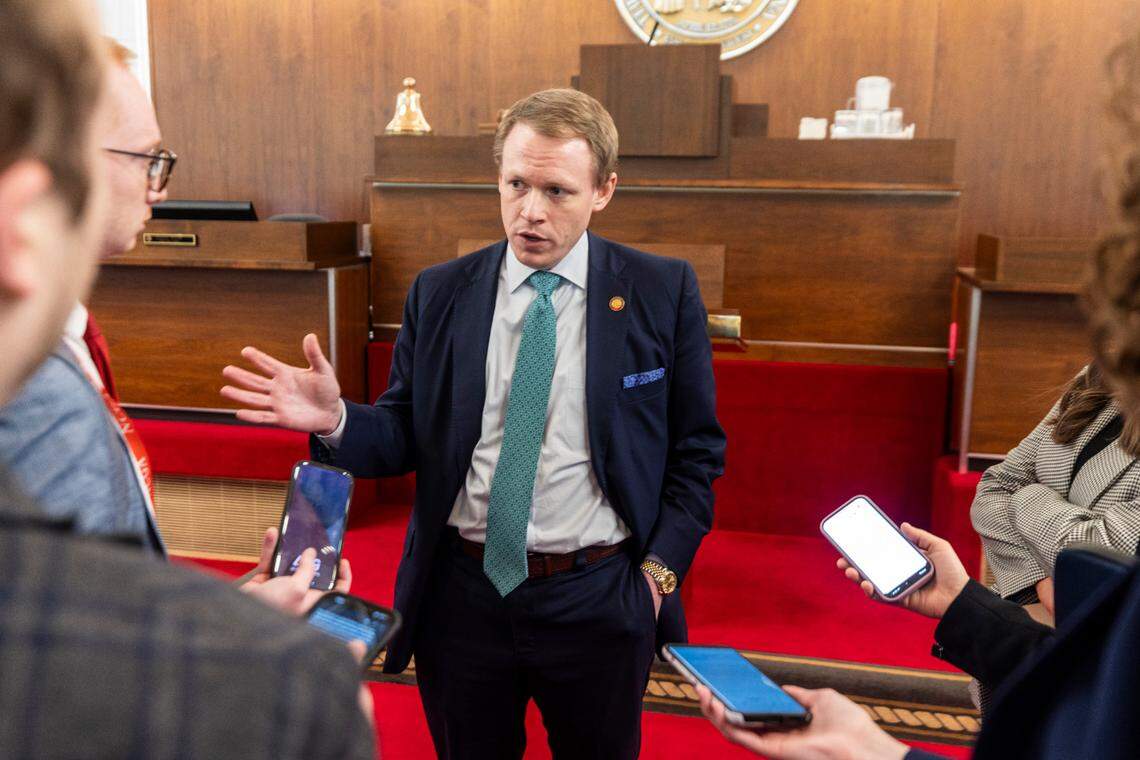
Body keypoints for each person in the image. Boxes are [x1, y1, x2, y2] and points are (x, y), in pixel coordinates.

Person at [221, 87, 726, 758]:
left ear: (603, 190)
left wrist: (655, 581)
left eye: (557, 191)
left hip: (600, 598)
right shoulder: (441, 291)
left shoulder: (661, 292)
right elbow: (405, 431)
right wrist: (339, 418)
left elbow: (697, 456)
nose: (531, 211)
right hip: (462, 600)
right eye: (516, 184)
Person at [695, 28, 1140, 758]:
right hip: (1012, 635)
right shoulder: (1100, 382)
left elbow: (1086, 549)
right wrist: (972, 604)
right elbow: (996, 490)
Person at [0, 1, 374, 756]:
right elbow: (65, 680)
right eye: (147, 158)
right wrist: (265, 679)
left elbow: (84, 613)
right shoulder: (37, 399)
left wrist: (222, 613)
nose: (160, 185)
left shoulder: (60, 352)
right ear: (28, 203)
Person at [971, 363, 1139, 618]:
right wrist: (1035, 581)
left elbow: (1105, 558)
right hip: (1027, 618)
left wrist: (1029, 495)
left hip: (1104, 638)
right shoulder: (1102, 370)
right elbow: (997, 485)